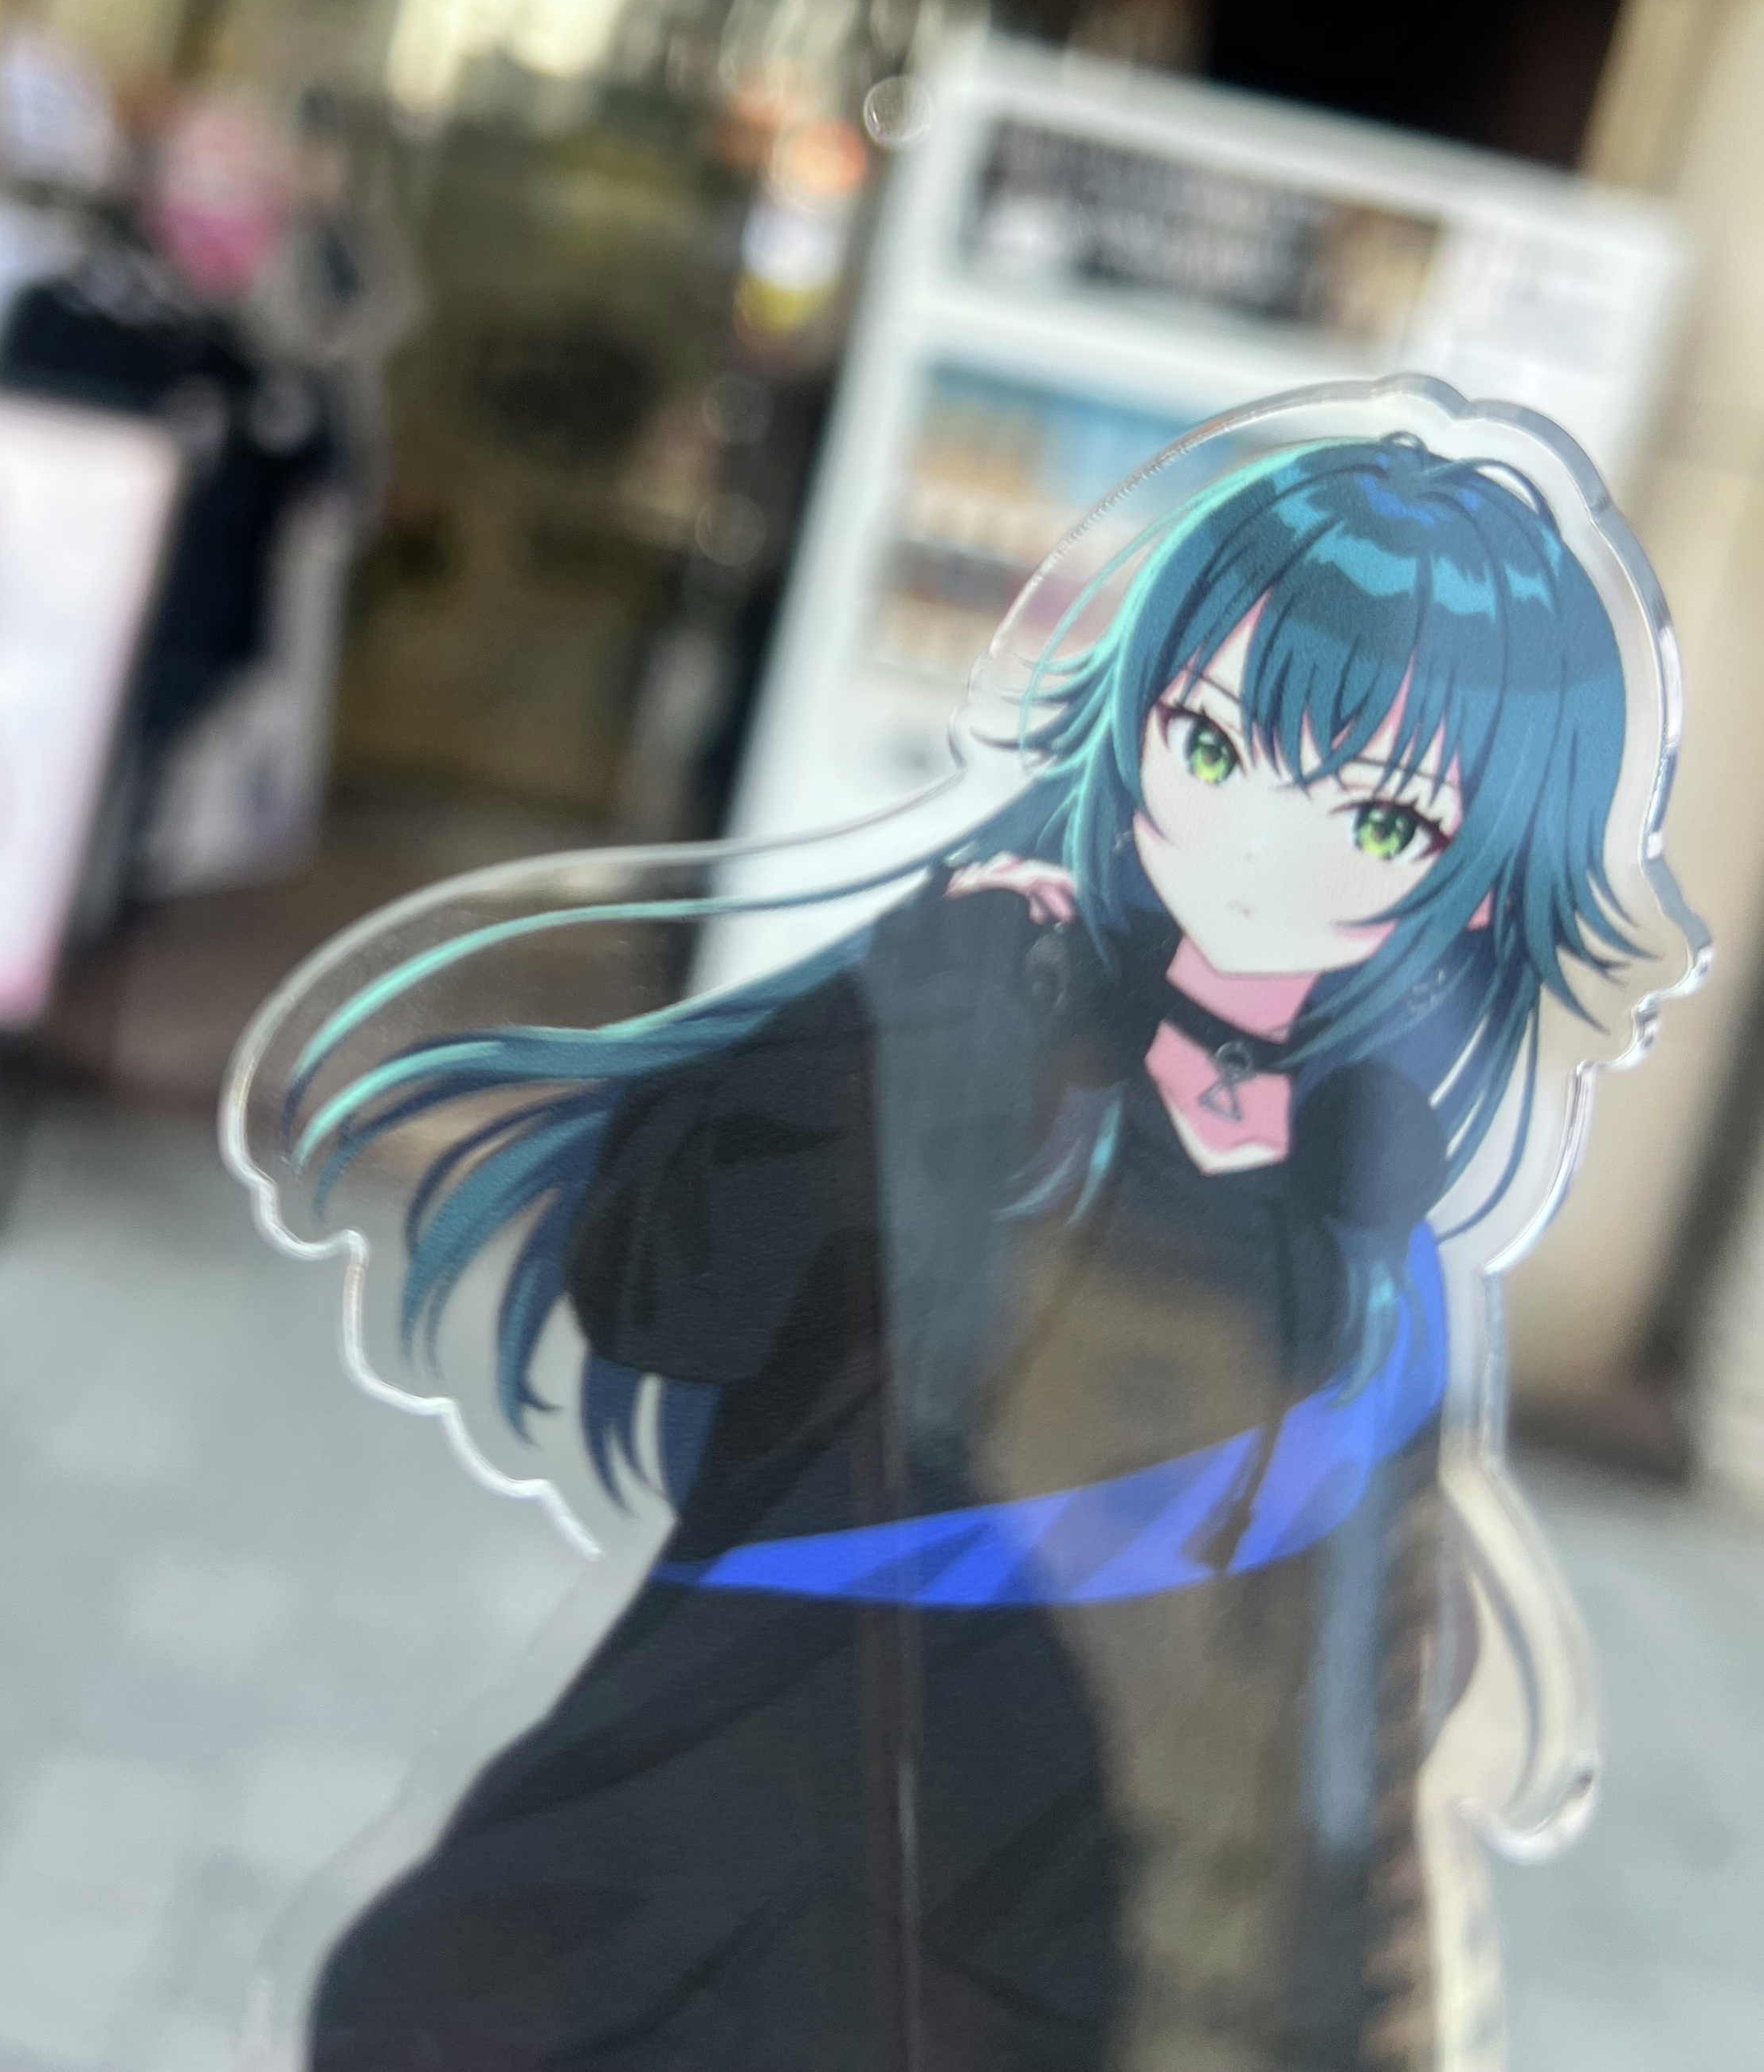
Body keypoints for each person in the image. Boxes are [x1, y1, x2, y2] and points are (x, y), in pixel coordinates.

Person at [277, 431, 1660, 2072]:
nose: (1255, 848)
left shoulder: (1378, 1243)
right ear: (1133, 724)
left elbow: (1333, 1713)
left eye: (1375, 817)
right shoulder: (975, 1023)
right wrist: (897, 1038)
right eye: (1211, 747)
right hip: (707, 1895)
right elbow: (658, 1290)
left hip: (1065, 1965)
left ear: (1489, 881)